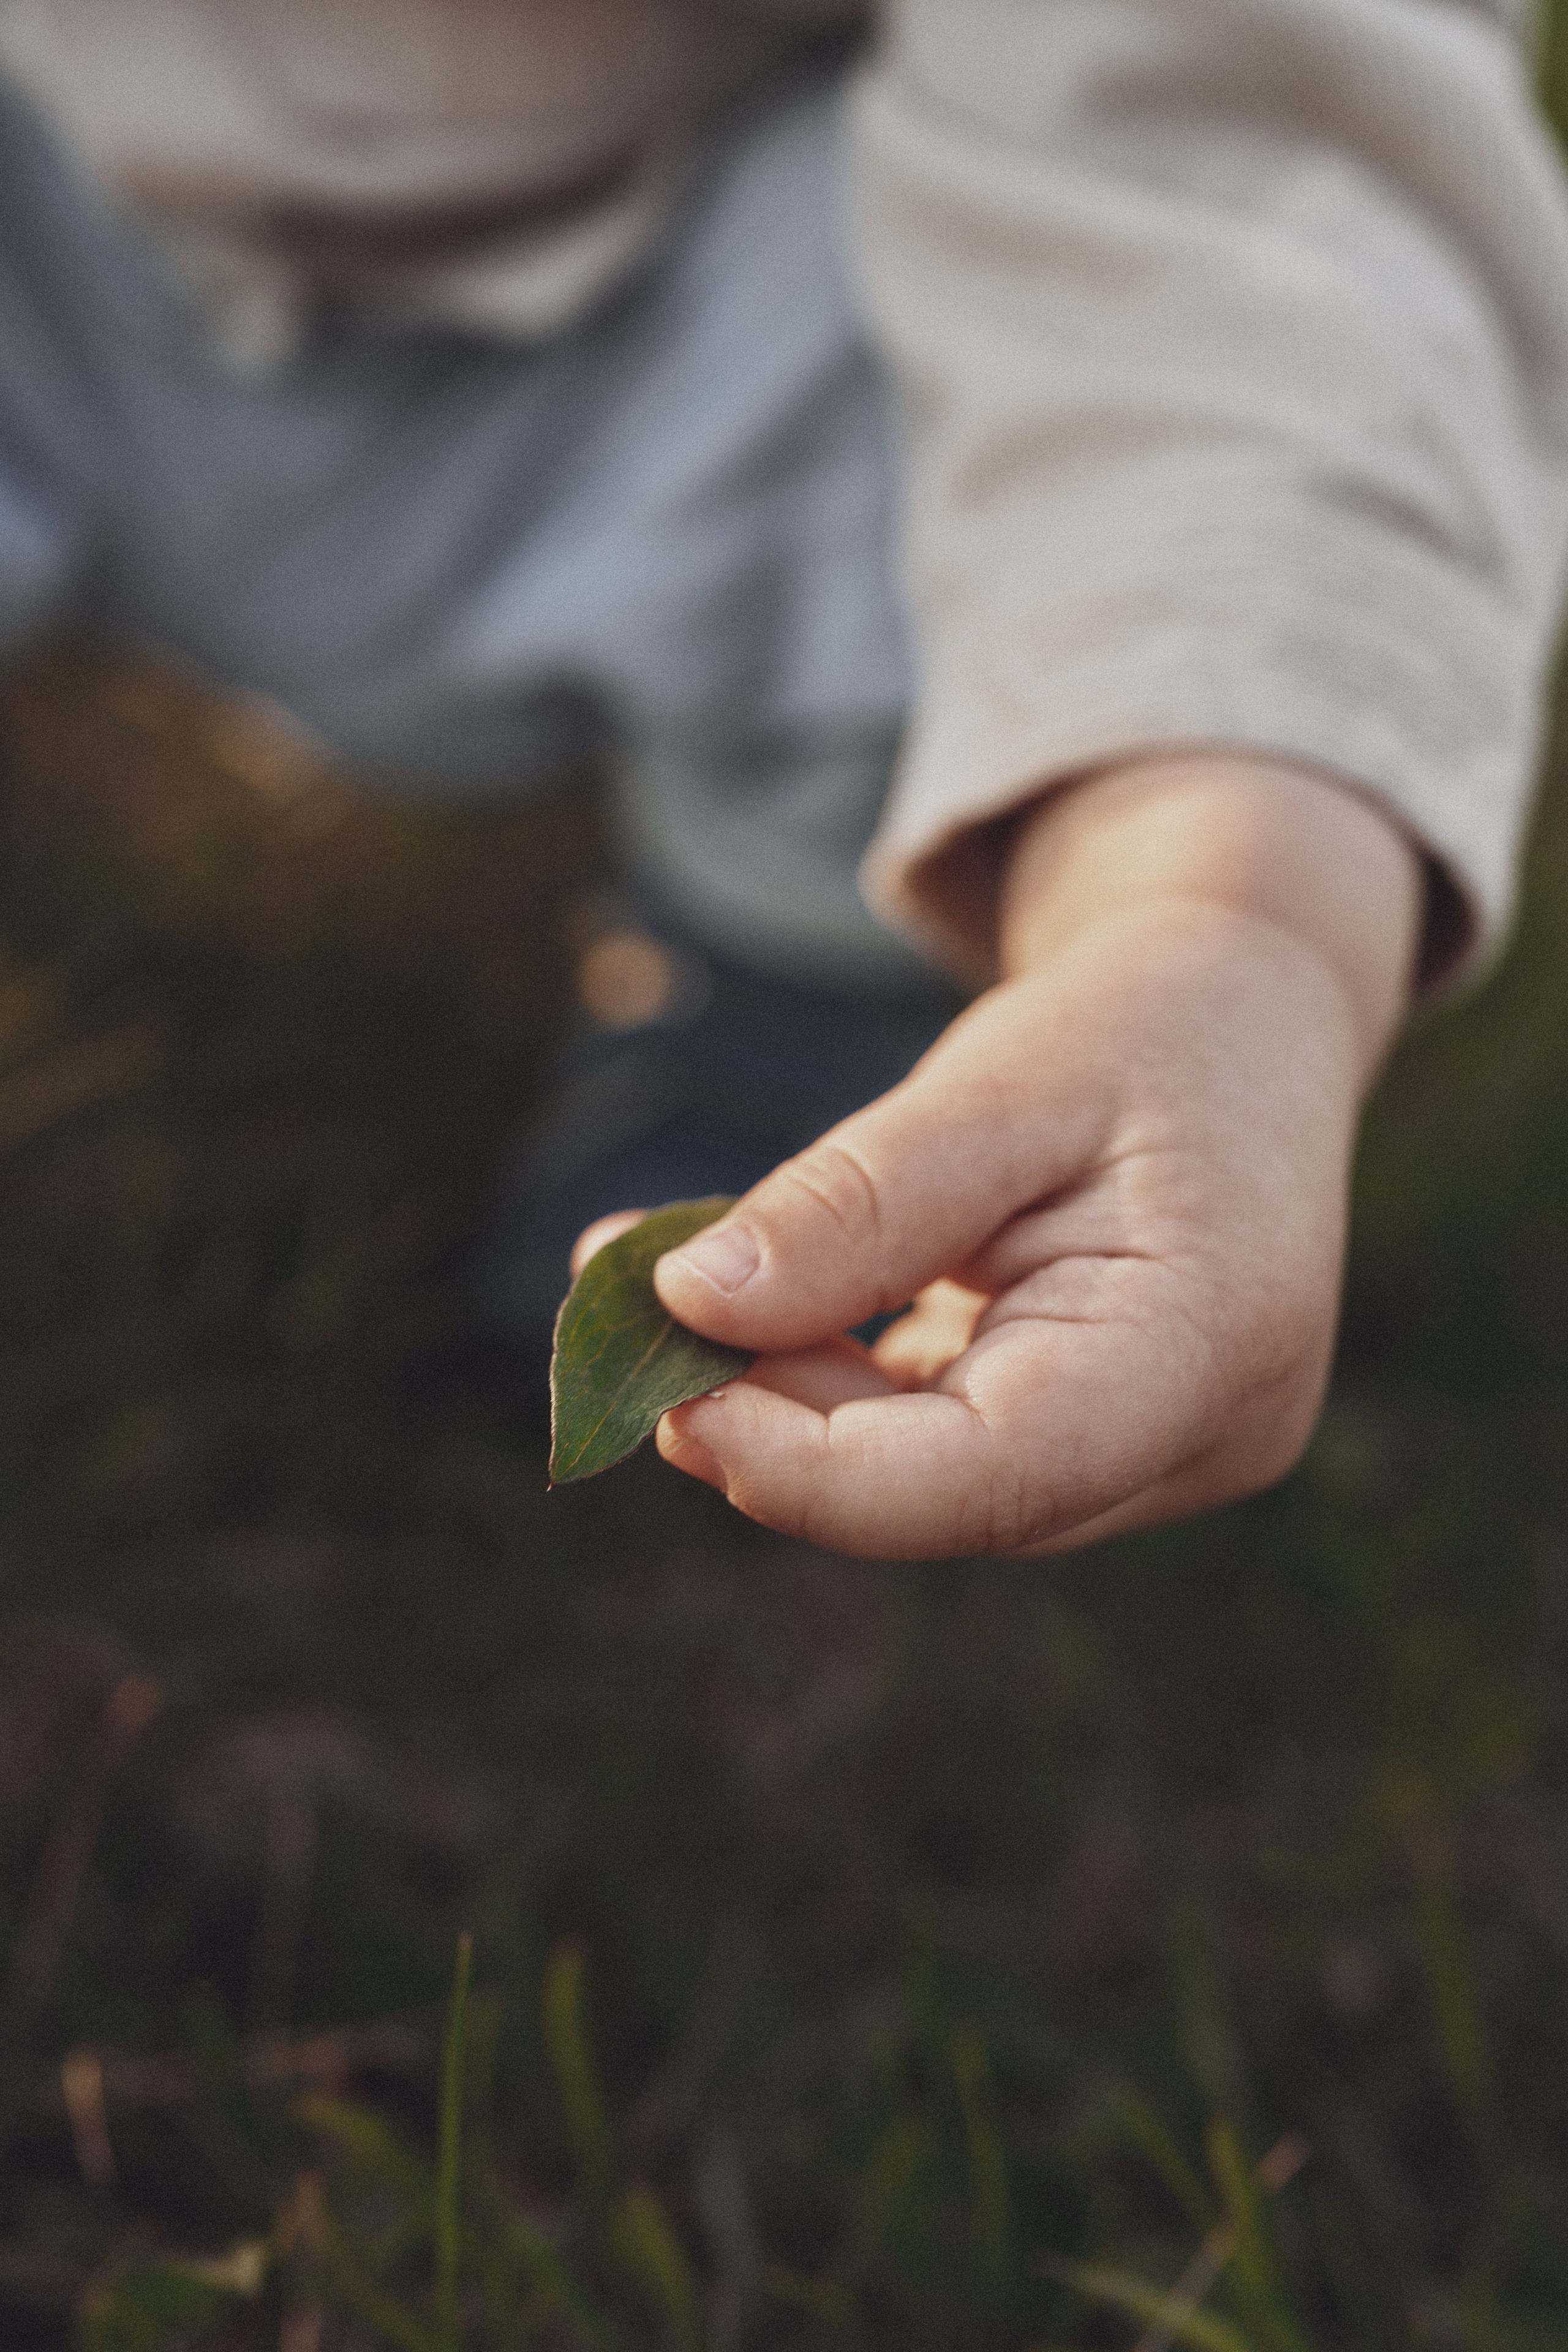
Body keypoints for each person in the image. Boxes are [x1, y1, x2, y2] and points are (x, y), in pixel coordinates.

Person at [0, 1, 1566, 1558]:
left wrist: (1225, 925)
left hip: (638, 284)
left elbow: (1243, 186)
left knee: (1062, 465)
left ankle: (783, 1011)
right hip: (48, 207)